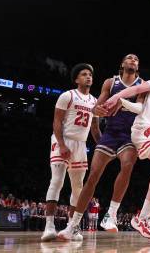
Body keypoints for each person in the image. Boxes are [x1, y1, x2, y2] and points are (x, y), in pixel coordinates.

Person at [64, 54, 143, 234]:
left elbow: (141, 108)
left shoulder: (142, 85)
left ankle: (111, 215)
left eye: (136, 59)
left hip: (129, 135)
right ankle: (73, 224)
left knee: (128, 164)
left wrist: (121, 103)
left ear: (137, 67)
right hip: (110, 133)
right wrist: (98, 110)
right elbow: (95, 109)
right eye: (129, 58)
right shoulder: (110, 82)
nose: (132, 60)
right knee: (93, 176)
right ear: (122, 64)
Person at [41, 64, 97, 242]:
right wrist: (62, 144)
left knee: (78, 187)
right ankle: (49, 226)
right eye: (84, 74)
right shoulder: (68, 95)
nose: (88, 77)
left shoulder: (95, 101)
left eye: (90, 74)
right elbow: (57, 122)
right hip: (62, 140)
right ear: (76, 79)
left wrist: (104, 146)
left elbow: (95, 129)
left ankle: (72, 226)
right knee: (57, 180)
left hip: (81, 144)